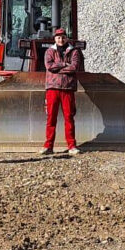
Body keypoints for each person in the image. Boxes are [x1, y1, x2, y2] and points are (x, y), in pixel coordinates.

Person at [41, 27, 83, 157]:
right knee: (51, 118)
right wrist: (65, 64)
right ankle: (48, 146)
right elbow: (49, 66)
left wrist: (58, 66)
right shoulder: (49, 51)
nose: (61, 39)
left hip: (67, 88)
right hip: (52, 88)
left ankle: (71, 145)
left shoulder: (74, 51)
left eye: (63, 37)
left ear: (67, 38)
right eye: (58, 37)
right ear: (55, 39)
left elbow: (74, 67)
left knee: (69, 117)